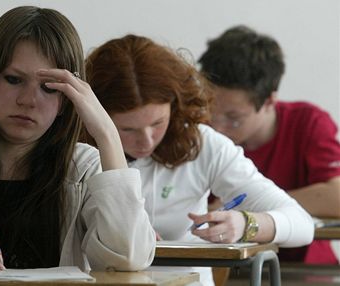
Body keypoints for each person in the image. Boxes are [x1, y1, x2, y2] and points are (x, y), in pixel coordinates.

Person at [0, 6, 155, 271]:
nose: (28, 100)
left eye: (48, 87)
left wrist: (107, 134)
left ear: (68, 100)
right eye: (13, 79)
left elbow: (129, 258)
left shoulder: (84, 169)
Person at [83, 34, 314, 285]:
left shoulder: (201, 143)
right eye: (126, 130)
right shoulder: (79, 153)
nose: (147, 141)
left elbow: (302, 224)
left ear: (175, 105)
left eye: (158, 123)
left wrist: (245, 223)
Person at [199, 25, 340, 264]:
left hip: (302, 270)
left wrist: (257, 203)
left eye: (233, 119)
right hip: (229, 268)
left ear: (269, 101)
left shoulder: (308, 123)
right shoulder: (200, 130)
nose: (217, 127)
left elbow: (336, 197)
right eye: (211, 111)